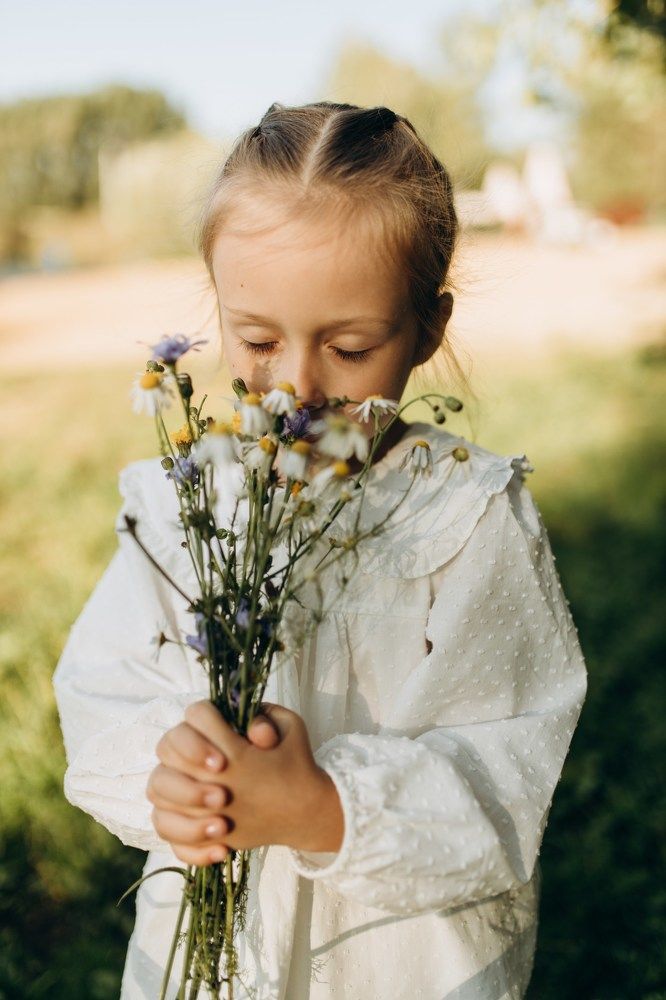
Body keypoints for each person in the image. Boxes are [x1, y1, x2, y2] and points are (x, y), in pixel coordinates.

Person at [52, 101, 588, 999]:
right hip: (219, 959)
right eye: (256, 340)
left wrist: (324, 809)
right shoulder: (187, 501)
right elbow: (101, 690)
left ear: (426, 328)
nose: (296, 386)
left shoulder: (465, 515)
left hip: (395, 957)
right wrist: (174, 777)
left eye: (348, 347)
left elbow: (507, 760)